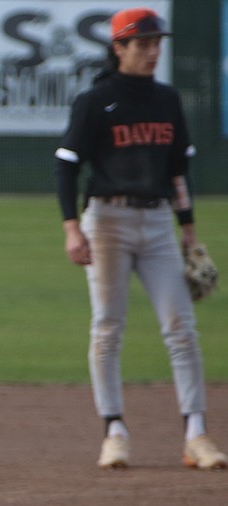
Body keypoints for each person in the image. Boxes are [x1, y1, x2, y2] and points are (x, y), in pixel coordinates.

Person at [54, 8, 225, 470]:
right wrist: (72, 226)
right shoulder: (97, 102)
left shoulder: (167, 101)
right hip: (106, 222)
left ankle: (196, 434)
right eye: (142, 44)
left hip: (157, 223)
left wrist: (188, 229)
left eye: (156, 43)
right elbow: (67, 166)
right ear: (119, 48)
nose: (153, 52)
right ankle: (114, 430)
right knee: (108, 327)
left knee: (182, 328)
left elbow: (177, 171)